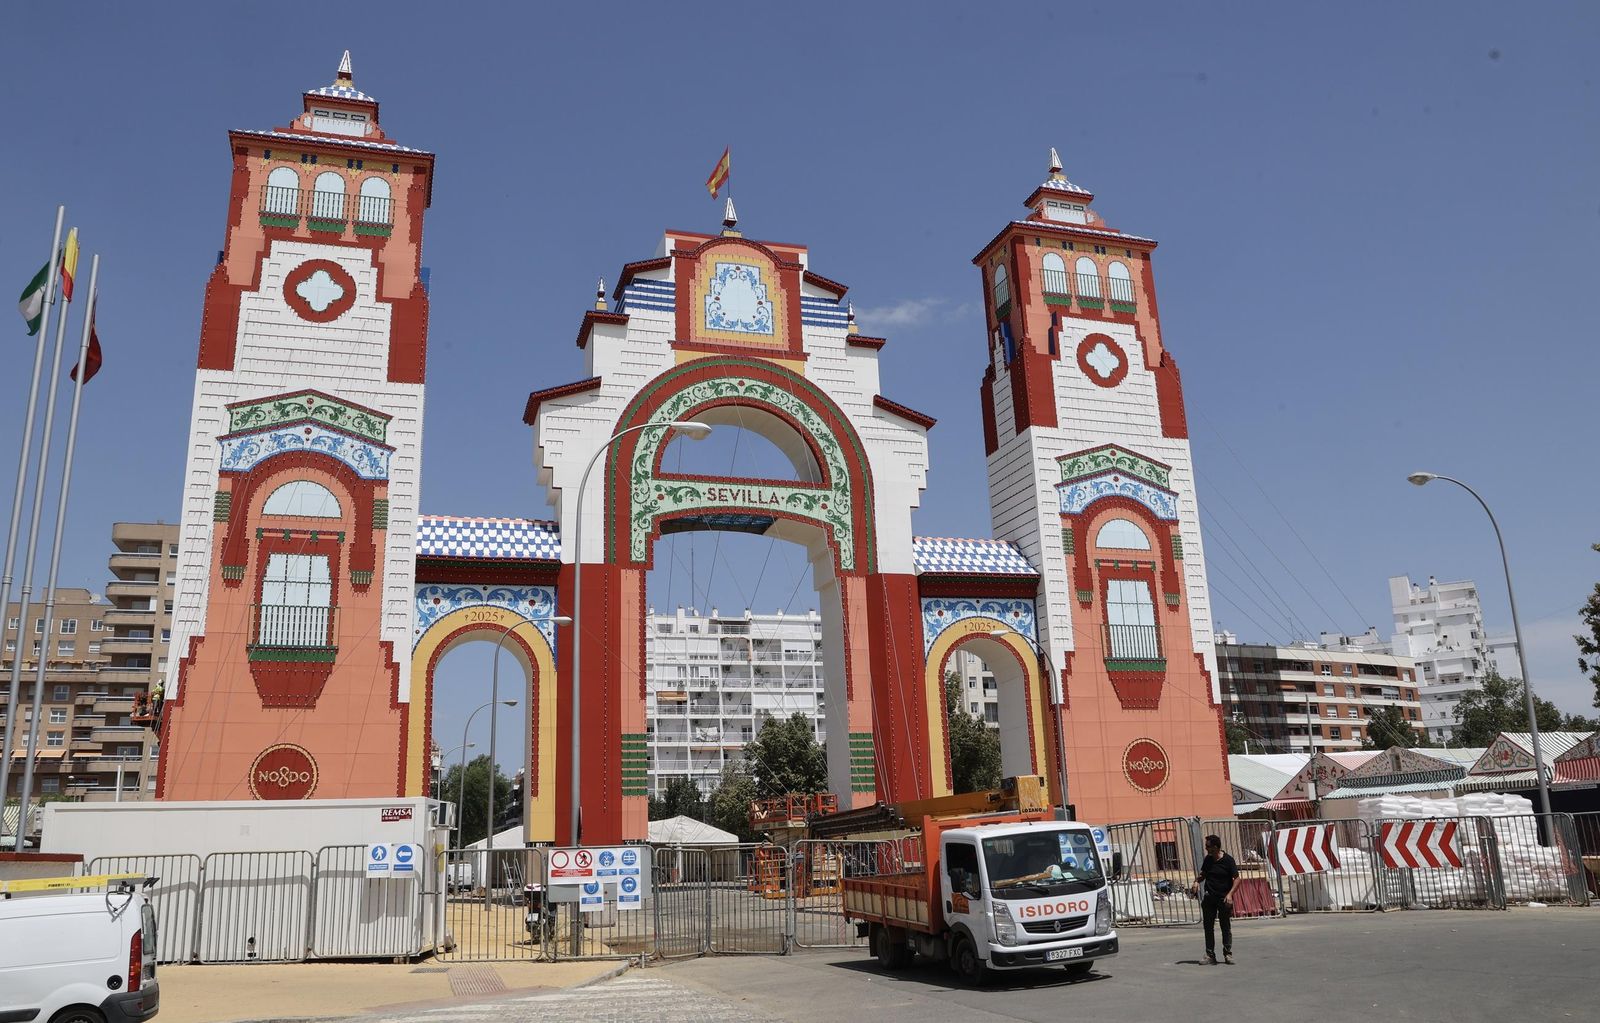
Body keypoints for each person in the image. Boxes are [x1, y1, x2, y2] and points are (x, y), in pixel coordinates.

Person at [1195, 833, 1238, 964]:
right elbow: (1203, 874)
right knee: (1208, 927)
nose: (1206, 849)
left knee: (1225, 926)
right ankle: (1210, 955)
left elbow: (1237, 879)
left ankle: (1228, 953)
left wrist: (1230, 894)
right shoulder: (1208, 860)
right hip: (1209, 897)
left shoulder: (1228, 860)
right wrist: (1196, 881)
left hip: (1223, 899)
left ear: (1216, 847)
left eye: (1208, 846)